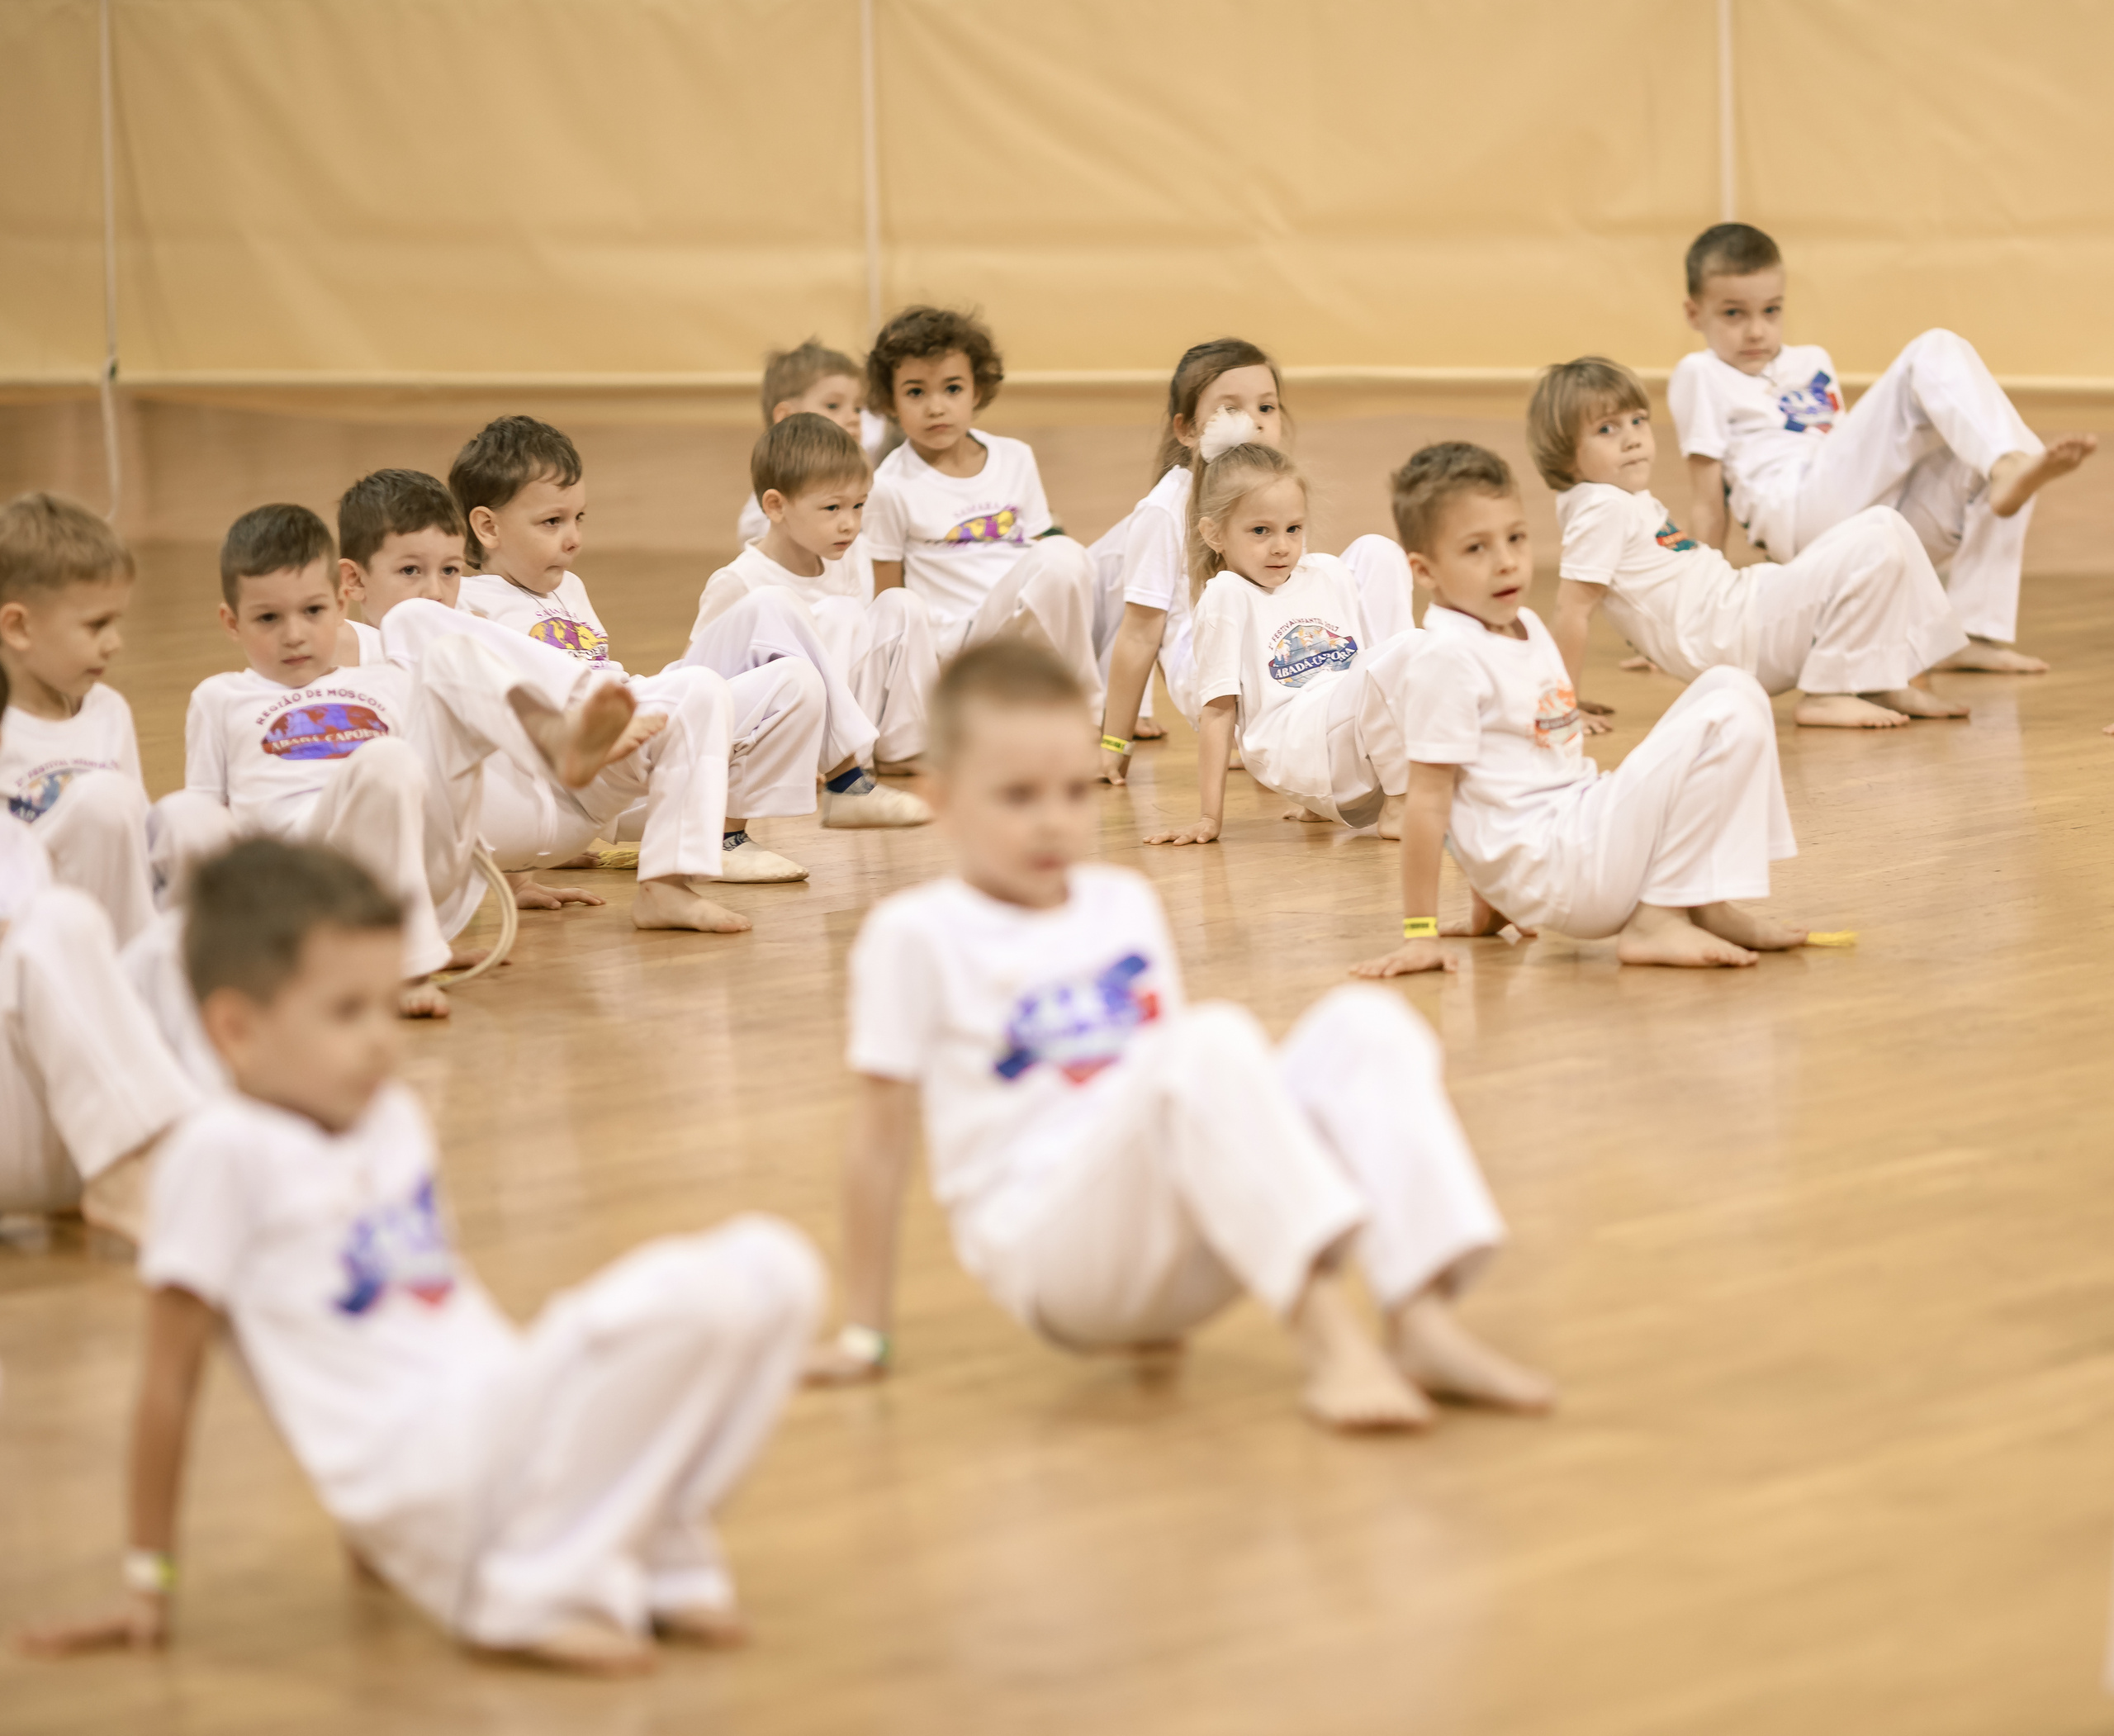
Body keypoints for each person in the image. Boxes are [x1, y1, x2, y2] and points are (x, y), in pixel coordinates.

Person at [17, 838, 821, 1675]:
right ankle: (523, 1594)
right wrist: (150, 1580)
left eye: (383, 999)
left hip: (489, 1424)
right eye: (345, 1011)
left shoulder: (391, 1118)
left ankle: (648, 1546)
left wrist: (368, 1543)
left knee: (777, 1268)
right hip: (426, 1469)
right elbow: (169, 1383)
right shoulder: (219, 1154)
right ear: (236, 1029)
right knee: (679, 1302)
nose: (380, 1037)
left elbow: (414, 1309)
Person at [806, 638, 1552, 1432]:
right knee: (1214, 1039)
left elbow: (1178, 1102)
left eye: (1073, 792)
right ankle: (1332, 1341)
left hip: (1168, 1253)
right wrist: (864, 1334)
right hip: (1053, 1256)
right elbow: (880, 1145)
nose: (1053, 820)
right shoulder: (914, 934)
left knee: (1366, 1025)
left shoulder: (1123, 901)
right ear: (942, 800)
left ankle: (1420, 1318)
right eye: (1018, 797)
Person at [173, 502, 661, 1013]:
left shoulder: (385, 679)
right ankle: (404, 959)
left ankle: (555, 741)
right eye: (269, 618)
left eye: (312, 611)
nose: (293, 634)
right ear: (232, 622)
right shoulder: (221, 697)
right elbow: (204, 826)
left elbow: (446, 766)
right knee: (386, 760)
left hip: (418, 872)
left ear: (341, 603)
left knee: (447, 656)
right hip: (303, 877)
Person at [1352, 443, 1818, 977]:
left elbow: (1502, 778)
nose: (1506, 560)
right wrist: (1420, 936)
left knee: (1731, 686)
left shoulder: (1522, 623)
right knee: (1728, 713)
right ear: (1425, 571)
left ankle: (1701, 900)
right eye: (1476, 548)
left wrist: (1489, 911)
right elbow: (1431, 804)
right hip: (1560, 869)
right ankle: (1654, 923)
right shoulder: (1444, 657)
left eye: (1515, 538)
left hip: (1577, 832)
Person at [451, 416, 923, 865]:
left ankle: (792, 807)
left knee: (787, 644)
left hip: (637, 726)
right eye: (552, 522)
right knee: (734, 658)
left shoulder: (568, 587)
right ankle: (834, 789)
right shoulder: (467, 604)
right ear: (488, 527)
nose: (574, 538)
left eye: (578, 518)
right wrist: (530, 859)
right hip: (598, 760)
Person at [1668, 221, 2095, 672]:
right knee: (1933, 349)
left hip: (1856, 509)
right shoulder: (1701, 373)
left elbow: (1855, 451)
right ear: (1695, 314)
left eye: (1771, 311)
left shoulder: (1812, 361)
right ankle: (2005, 464)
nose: (1756, 331)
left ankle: (1971, 630)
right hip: (1797, 514)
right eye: (1734, 314)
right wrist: (1699, 616)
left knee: (2006, 452)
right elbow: (1708, 506)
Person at [1533, 357, 1970, 729]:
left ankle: (1879, 679)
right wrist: (1562, 708)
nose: (1631, 437)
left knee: (1884, 526)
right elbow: (1572, 610)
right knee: (1876, 540)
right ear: (1565, 454)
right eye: (1607, 429)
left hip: (1742, 615)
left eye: (1637, 420)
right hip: (1733, 641)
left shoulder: (1615, 500)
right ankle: (1825, 692)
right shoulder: (1601, 508)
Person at [1096, 339, 1417, 785]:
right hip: (1216, 673)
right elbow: (1138, 633)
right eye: (1231, 409)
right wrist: (1115, 745)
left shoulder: (1275, 486)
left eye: (1267, 408)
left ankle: (1395, 713)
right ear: (1186, 429)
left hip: (1287, 656)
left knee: (1377, 552)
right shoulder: (1164, 508)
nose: (1254, 422)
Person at [1141, 415, 1423, 849]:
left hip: (1349, 769)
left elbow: (1353, 676)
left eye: (1293, 528)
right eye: (1260, 531)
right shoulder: (1228, 595)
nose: (1281, 546)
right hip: (1295, 749)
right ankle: (1403, 806)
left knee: (1418, 657)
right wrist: (1207, 818)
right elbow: (1218, 711)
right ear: (1214, 533)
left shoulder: (1328, 572)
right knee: (1410, 648)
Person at [0, 660, 198, 1241]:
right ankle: (125, 1165)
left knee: (170, 939)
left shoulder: (13, 843)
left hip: (40, 1133)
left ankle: (179, 1151)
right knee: (60, 922)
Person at [861, 306, 1109, 709]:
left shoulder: (1016, 457)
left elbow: (1050, 564)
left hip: (1022, 626)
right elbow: (888, 602)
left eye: (952, 388)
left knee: (1077, 558)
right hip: (954, 646)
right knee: (1063, 555)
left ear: (978, 390)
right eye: (915, 392)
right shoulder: (888, 486)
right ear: (890, 402)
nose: (936, 407)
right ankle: (1088, 712)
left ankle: (1069, 702)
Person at [691, 414, 941, 779]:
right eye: (832, 508)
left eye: (858, 506)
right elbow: (697, 676)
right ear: (776, 506)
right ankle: (822, 764)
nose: (849, 523)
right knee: (841, 613)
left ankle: (902, 749)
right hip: (777, 747)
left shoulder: (850, 556)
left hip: (850, 733)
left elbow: (859, 652)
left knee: (902, 604)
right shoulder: (740, 580)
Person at [0, 492, 156, 942]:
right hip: (35, 937)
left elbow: (136, 844)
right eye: (96, 625)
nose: (115, 643)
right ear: (19, 627)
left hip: (118, 922)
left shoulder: (109, 710)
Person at [732, 339, 893, 548]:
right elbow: (750, 531)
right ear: (787, 416)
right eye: (833, 406)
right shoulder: (781, 476)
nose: (853, 418)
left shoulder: (867, 460)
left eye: (857, 408)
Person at [333, 467, 472, 668]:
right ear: (355, 580)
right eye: (410, 570)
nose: (435, 593)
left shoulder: (472, 637)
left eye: (449, 570)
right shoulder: (345, 649)